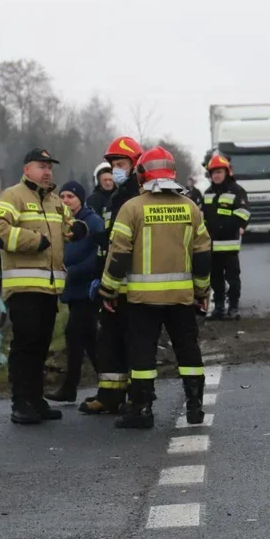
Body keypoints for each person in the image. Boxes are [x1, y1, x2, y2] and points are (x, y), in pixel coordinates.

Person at [99, 146, 212, 429]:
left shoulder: (132, 208)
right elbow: (202, 255)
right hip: (182, 298)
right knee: (188, 350)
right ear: (172, 173)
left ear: (142, 174)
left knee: (142, 354)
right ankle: (195, 406)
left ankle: (142, 409)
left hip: (142, 300)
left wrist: (108, 291)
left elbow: (119, 254)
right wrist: (202, 292)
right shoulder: (190, 208)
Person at [0, 149, 85, 425]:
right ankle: (20, 402)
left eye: (49, 167)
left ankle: (36, 399)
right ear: (27, 169)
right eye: (41, 166)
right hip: (23, 286)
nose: (47, 171)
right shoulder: (12, 196)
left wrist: (78, 229)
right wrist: (33, 240)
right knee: (25, 344)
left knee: (41, 344)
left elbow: (69, 224)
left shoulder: (54, 201)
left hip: (49, 287)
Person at [81, 135, 144, 415]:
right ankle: (110, 395)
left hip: (130, 284)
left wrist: (112, 284)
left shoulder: (137, 197)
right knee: (109, 341)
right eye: (113, 164)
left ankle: (135, 396)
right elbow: (109, 242)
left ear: (135, 164)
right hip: (113, 281)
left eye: (121, 163)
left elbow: (127, 246)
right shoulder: (116, 197)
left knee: (132, 342)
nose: (116, 169)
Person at [47, 179, 104, 402]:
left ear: (80, 199)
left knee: (74, 334)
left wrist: (72, 271)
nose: (65, 201)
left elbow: (97, 256)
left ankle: (70, 387)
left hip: (88, 290)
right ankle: (110, 384)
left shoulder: (92, 222)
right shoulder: (63, 223)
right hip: (72, 289)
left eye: (70, 197)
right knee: (89, 339)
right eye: (62, 197)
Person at [201, 154, 249, 320]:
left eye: (219, 172)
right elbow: (202, 217)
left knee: (233, 279)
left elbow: (243, 213)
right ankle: (219, 307)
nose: (216, 175)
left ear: (227, 172)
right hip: (211, 246)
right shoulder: (207, 194)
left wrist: (233, 227)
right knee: (215, 280)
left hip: (229, 245)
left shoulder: (236, 191)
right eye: (213, 172)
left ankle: (233, 307)